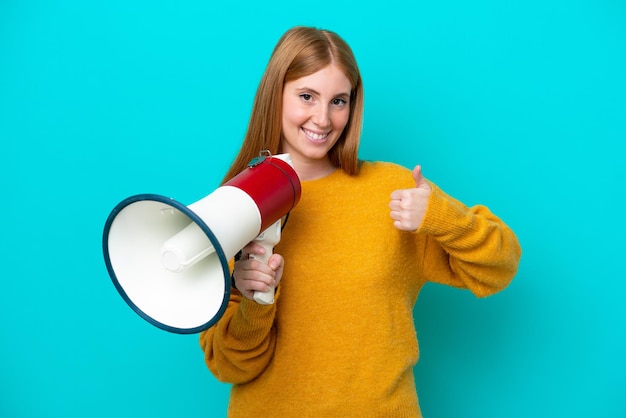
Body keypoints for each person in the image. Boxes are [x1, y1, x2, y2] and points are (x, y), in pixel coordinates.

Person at [199, 26, 521, 417]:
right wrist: (255, 304)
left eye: (339, 101)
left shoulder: (393, 191)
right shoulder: (234, 207)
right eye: (306, 96)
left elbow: (499, 268)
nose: (323, 118)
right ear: (275, 95)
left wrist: (441, 217)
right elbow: (229, 366)